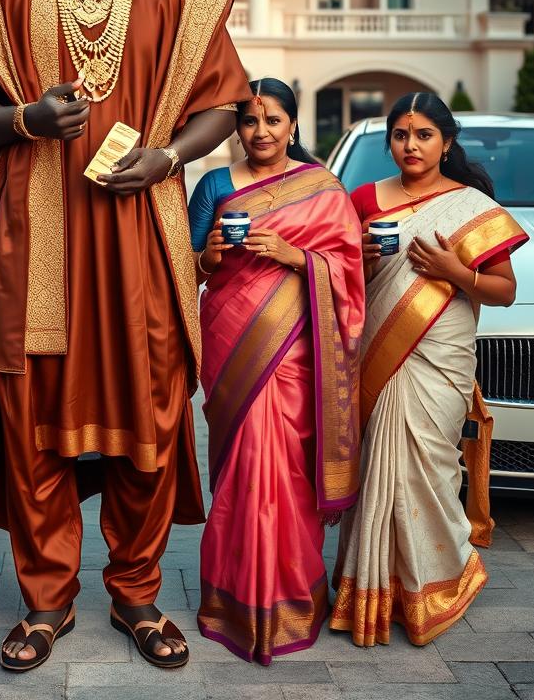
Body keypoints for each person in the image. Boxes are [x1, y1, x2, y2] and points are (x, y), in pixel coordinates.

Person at [0, 0, 250, 671]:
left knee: (148, 416)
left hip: (138, 244)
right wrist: (22, 120)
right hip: (33, 244)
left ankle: (138, 595)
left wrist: (167, 157)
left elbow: (223, 103)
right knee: (34, 419)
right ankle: (45, 603)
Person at [329, 92, 528, 647]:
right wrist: (359, 261)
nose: (410, 146)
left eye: (423, 135)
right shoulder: (364, 199)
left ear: (446, 141)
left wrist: (454, 270)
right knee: (375, 468)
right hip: (378, 352)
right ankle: (367, 587)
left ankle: (435, 584)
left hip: (439, 358)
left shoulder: (470, 205)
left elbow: (505, 292)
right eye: (400, 134)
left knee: (430, 469)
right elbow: (340, 281)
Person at [188, 78, 364, 664]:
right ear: (235, 128)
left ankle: (291, 595)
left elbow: (348, 269)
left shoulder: (323, 189)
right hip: (231, 337)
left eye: (273, 121)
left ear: (293, 125)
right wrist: (210, 253)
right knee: (241, 465)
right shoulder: (214, 183)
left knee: (285, 464)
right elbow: (187, 263)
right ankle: (232, 597)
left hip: (295, 348)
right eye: (248, 121)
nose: (260, 133)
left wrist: (298, 258)